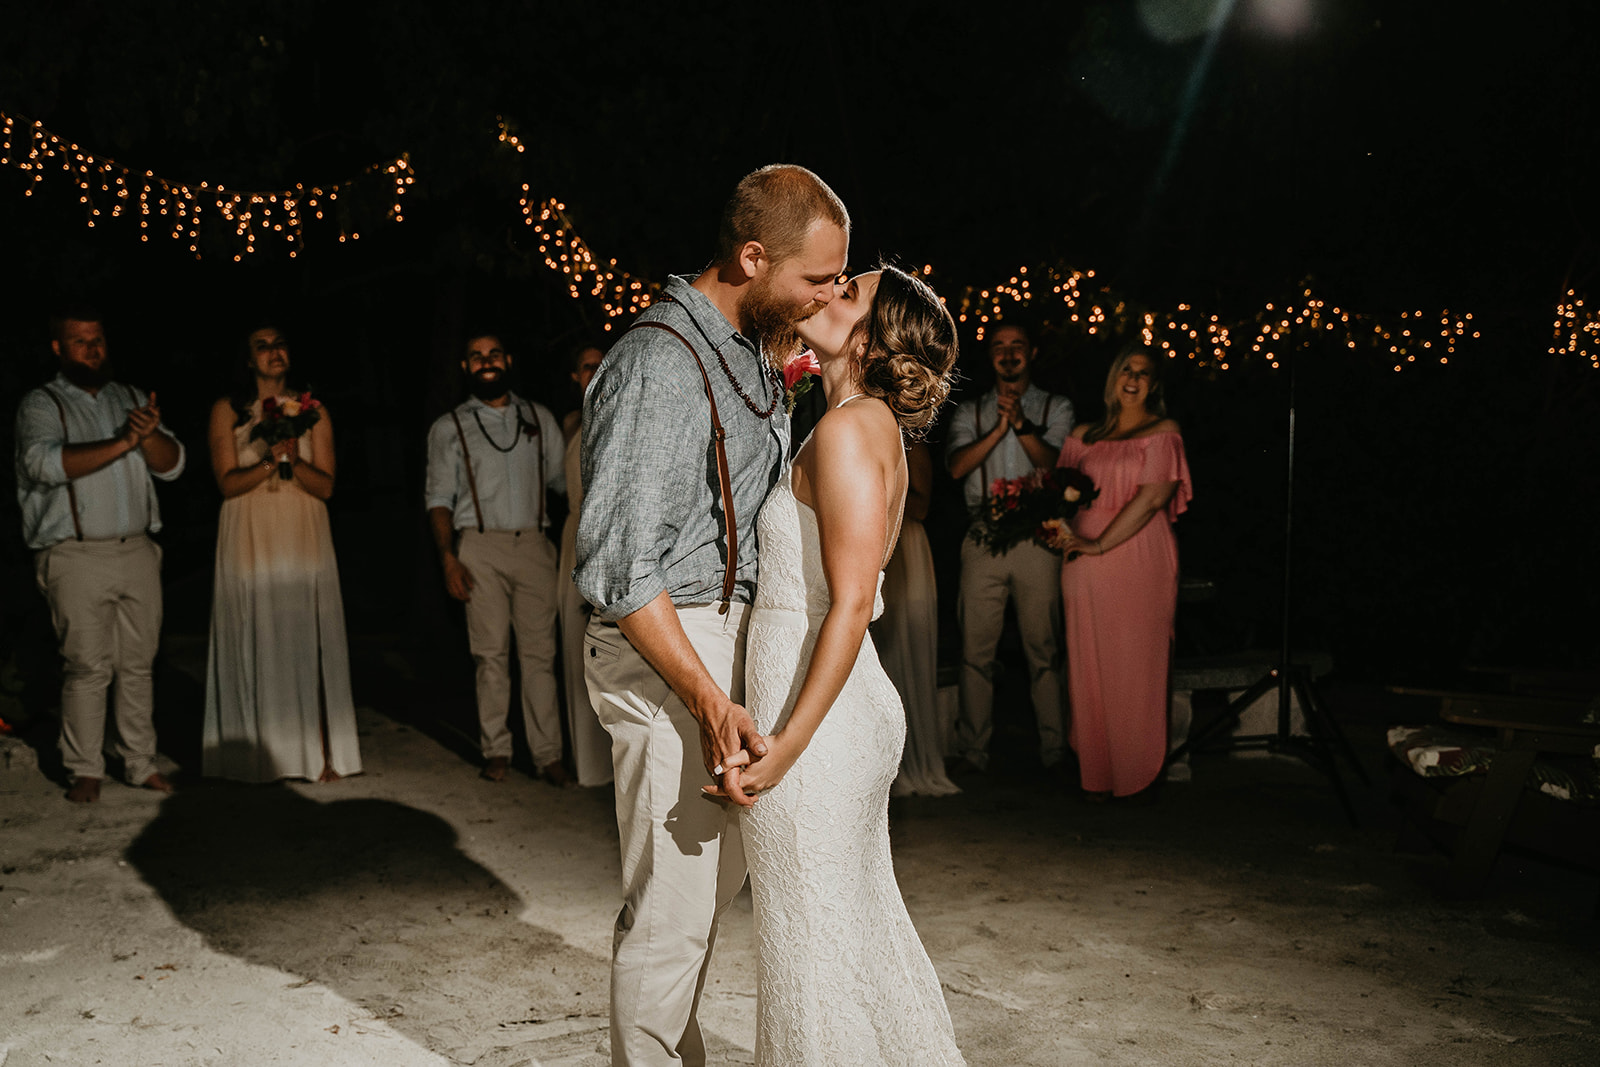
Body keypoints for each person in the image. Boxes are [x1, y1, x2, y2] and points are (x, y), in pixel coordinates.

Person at [575, 163, 848, 1067]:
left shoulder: (749, 345)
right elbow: (618, 567)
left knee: (705, 899)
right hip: (669, 646)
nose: (826, 296)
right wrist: (704, 693)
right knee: (670, 913)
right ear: (751, 256)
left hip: (727, 642)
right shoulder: (658, 360)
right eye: (814, 277)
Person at [716, 266, 965, 1065]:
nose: (825, 292)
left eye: (847, 291)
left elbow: (852, 604)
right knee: (841, 937)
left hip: (818, 724)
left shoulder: (855, 428)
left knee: (810, 950)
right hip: (827, 706)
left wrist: (784, 745)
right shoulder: (853, 420)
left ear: (872, 339)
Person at [15, 308, 185, 802]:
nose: (93, 349)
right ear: (58, 348)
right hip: (75, 553)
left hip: (136, 549)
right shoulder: (41, 403)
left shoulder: (131, 398)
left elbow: (173, 465)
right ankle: (85, 768)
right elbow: (42, 464)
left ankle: (138, 763)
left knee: (138, 664)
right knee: (87, 666)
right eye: (80, 341)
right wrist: (122, 441)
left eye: (98, 340)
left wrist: (148, 435)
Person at [202, 323, 362, 784]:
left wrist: (294, 456)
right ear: (248, 359)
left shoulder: (314, 410)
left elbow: (327, 486)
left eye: (280, 344)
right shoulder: (227, 411)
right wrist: (271, 459)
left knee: (305, 631)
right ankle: (253, 755)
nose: (274, 352)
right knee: (255, 629)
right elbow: (228, 484)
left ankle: (318, 752)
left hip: (302, 529)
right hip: (249, 531)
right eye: (262, 346)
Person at [426, 332, 568, 785]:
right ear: (466, 367)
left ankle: (548, 755)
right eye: (475, 357)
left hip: (534, 544)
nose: (486, 362)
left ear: (508, 360)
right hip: (479, 546)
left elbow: (564, 485)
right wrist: (448, 558)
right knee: (490, 655)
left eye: (493, 354)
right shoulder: (449, 427)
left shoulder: (538, 417)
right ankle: (497, 749)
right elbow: (438, 499)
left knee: (540, 657)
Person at [1051, 346, 1192, 800]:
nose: (1133, 379)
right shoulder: (1083, 435)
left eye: (1144, 374)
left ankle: (1140, 772)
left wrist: (1099, 543)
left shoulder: (1163, 432)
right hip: (1082, 561)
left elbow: (1152, 499)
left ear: (1155, 385)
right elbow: (1058, 495)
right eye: (1126, 370)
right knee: (1088, 660)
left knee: (1136, 661)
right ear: (1113, 377)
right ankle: (1097, 770)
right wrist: (1056, 528)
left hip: (1137, 556)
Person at [943, 322, 1074, 775]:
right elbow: (957, 467)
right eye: (1000, 347)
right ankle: (974, 750)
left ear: (1031, 352)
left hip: (1040, 537)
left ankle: (1056, 750)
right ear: (991, 357)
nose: (1009, 354)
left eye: (1017, 346)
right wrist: (999, 429)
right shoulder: (970, 412)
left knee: (1045, 647)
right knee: (976, 650)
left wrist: (1021, 425)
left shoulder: (1057, 407)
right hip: (984, 536)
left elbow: (1058, 468)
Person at [873, 439, 959, 797]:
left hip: (905, 545)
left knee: (906, 648)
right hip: (872, 542)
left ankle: (915, 761)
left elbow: (921, 507)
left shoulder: (912, 443)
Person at [558, 340, 612, 787]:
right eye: (585, 366)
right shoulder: (569, 423)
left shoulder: (616, 413)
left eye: (599, 364)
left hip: (602, 530)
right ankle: (588, 766)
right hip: (570, 538)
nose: (593, 372)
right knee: (575, 645)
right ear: (575, 376)